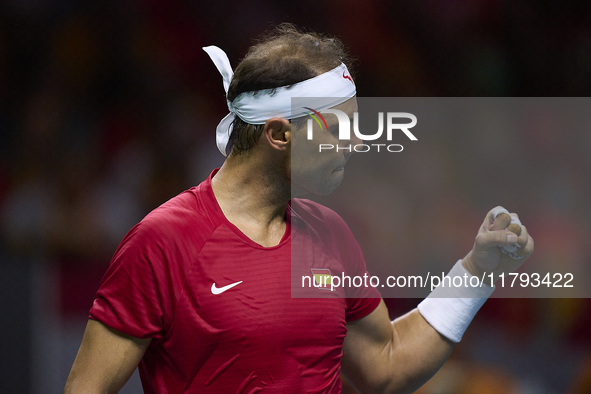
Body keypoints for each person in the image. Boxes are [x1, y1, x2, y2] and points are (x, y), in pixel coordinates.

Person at [63, 24, 534, 394]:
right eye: (337, 129)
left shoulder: (330, 234)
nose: (354, 143)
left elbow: (386, 367)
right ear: (279, 134)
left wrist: (477, 270)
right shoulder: (161, 241)